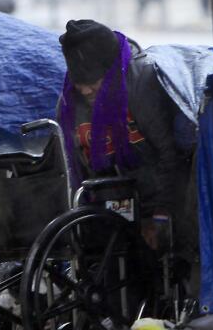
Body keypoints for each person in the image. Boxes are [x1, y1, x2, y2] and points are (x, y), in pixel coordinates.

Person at [57, 19, 193, 261]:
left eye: (93, 82)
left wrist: (160, 214)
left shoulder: (141, 85)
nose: (86, 90)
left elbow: (168, 154)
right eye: (80, 84)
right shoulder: (69, 104)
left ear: (110, 73)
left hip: (160, 198)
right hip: (109, 204)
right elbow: (77, 168)